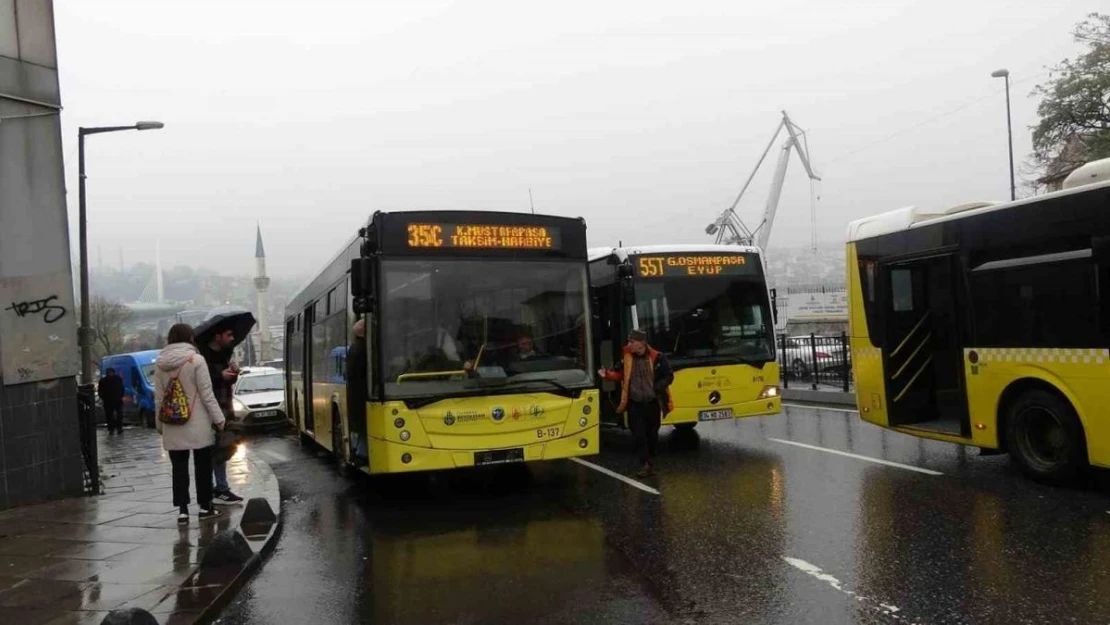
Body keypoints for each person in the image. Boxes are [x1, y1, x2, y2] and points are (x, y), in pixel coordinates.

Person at [154, 323, 226, 524]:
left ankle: (183, 511)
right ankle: (205, 507)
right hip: (198, 423)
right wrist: (219, 419)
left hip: (172, 424)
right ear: (190, 338)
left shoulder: (160, 364)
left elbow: (159, 399)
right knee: (202, 466)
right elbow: (207, 394)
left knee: (179, 468)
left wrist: (160, 426)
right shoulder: (196, 360)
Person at [599, 329, 674, 478]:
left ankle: (650, 456)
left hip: (652, 403)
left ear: (641, 343)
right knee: (639, 435)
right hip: (635, 404)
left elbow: (669, 376)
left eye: (632, 342)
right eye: (629, 341)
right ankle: (646, 465)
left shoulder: (658, 357)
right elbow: (619, 374)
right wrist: (607, 374)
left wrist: (658, 386)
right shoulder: (626, 358)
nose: (629, 344)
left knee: (652, 434)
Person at [199, 327, 245, 505]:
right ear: (217, 336)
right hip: (208, 410)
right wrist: (219, 375)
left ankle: (222, 488)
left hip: (226, 407)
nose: (232, 338)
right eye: (229, 335)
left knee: (224, 447)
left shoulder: (226, 354)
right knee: (210, 450)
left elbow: (227, 381)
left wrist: (233, 373)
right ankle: (212, 490)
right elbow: (201, 383)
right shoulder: (202, 356)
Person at [346, 319, 368, 461]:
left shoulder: (354, 348)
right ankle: (361, 453)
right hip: (361, 395)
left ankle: (358, 451)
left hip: (356, 395)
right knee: (363, 428)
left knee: (360, 429)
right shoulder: (362, 349)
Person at [97, 368, 125, 434]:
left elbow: (122, 388)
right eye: (109, 372)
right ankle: (113, 429)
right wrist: (103, 397)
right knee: (110, 416)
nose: (110, 374)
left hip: (115, 400)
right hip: (110, 401)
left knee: (118, 415)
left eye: (111, 372)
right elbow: (100, 391)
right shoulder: (104, 381)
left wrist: (121, 395)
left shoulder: (117, 379)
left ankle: (117, 428)